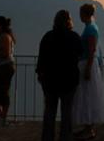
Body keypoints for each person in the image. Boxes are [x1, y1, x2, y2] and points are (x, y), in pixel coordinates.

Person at [37, 10, 83, 141]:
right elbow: (80, 53)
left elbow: (42, 58)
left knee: (50, 111)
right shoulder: (74, 37)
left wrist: (40, 74)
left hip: (50, 81)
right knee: (67, 112)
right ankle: (65, 137)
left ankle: (47, 137)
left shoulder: (47, 37)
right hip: (69, 81)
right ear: (69, 21)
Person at [72, 4, 104, 139]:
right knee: (87, 95)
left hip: (88, 64)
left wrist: (88, 68)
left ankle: (89, 128)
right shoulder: (91, 27)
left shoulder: (91, 29)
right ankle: (88, 127)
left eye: (80, 13)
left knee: (87, 96)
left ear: (84, 14)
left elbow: (92, 49)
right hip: (88, 64)